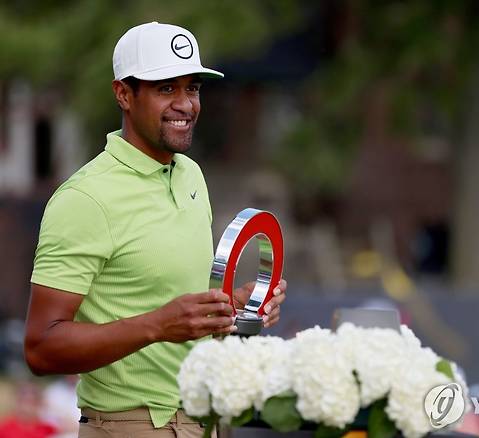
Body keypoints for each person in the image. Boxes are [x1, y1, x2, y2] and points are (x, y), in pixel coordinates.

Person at [23, 22, 287, 438]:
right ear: (124, 95)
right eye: (166, 88)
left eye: (193, 88)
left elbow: (177, 309)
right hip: (130, 425)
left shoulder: (190, 175)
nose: (186, 104)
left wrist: (233, 310)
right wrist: (158, 325)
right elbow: (40, 348)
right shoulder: (85, 198)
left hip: (207, 419)